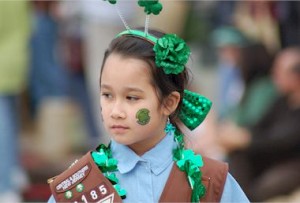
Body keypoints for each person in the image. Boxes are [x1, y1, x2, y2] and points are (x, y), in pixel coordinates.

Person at [47, 26, 249, 202]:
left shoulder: (210, 181)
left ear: (169, 103)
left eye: (132, 98)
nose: (116, 112)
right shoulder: (79, 186)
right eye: (107, 95)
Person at [218, 47, 300, 201]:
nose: (274, 75)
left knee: (263, 188)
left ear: (296, 77)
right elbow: (258, 126)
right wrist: (239, 135)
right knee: (236, 157)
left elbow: (285, 140)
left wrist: (247, 140)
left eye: (280, 71)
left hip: (292, 163)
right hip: (268, 155)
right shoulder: (282, 100)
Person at [0, 1, 31, 202]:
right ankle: (14, 170)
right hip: (16, 57)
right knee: (10, 117)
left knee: (3, 122)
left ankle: (5, 186)